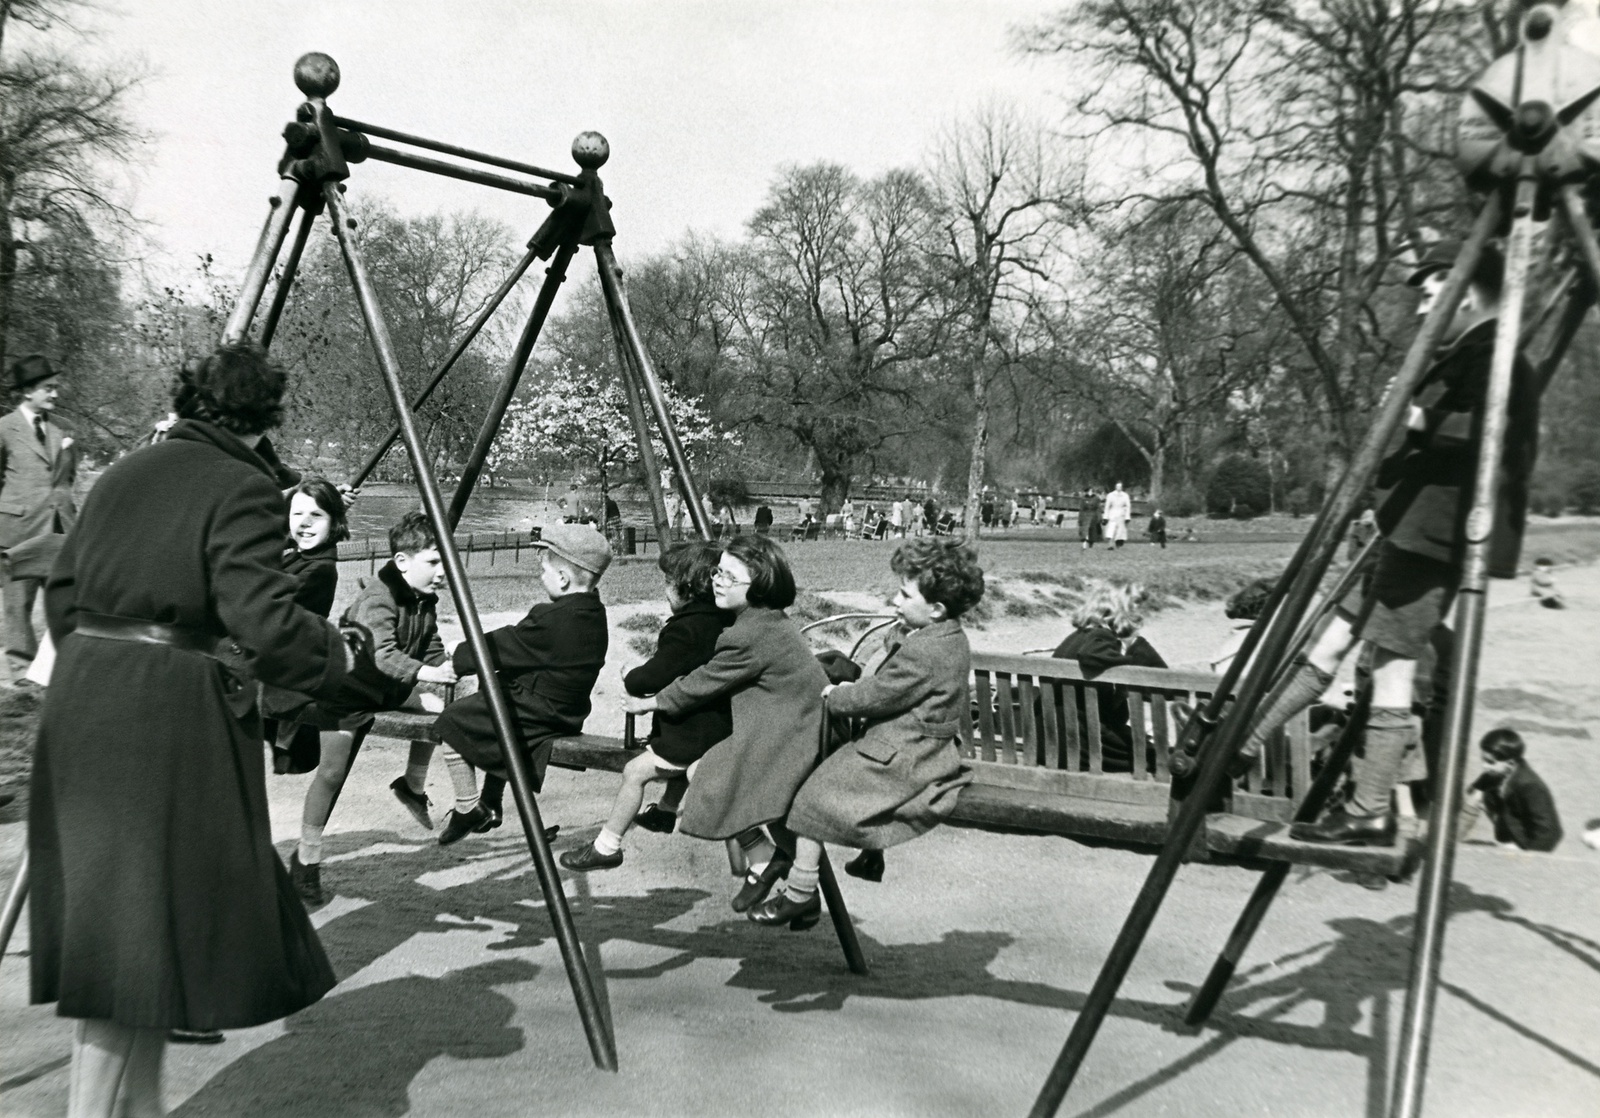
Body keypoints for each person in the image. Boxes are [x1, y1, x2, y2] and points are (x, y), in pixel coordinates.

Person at [27, 343, 361, 1116]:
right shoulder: (241, 485)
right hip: (164, 715)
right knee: (130, 944)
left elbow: (60, 593)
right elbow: (266, 620)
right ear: (260, 419)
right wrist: (341, 655)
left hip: (84, 698)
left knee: (141, 945)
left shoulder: (123, 472)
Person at [1229, 240, 1541, 847]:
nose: (1425, 309)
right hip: (1406, 530)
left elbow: (1490, 433)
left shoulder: (1499, 356)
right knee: (1331, 639)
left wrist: (1414, 416)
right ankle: (1244, 744)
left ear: (1468, 290)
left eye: (1433, 294)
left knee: (1394, 669)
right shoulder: (1467, 352)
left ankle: (1370, 806)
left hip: (1436, 538)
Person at [752, 538, 986, 926]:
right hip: (921, 743)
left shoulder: (925, 652)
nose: (894, 600)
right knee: (842, 769)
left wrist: (837, 696)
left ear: (937, 608)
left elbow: (879, 695)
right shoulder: (945, 637)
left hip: (906, 752)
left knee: (812, 796)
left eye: (904, 594)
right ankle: (870, 854)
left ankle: (800, 894)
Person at [622, 535, 828, 913]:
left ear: (760, 587)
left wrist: (651, 702)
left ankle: (768, 862)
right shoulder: (766, 620)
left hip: (793, 733)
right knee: (768, 804)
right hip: (799, 722)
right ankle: (796, 882)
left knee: (708, 772)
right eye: (718, 571)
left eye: (730, 578)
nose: (718, 581)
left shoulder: (747, 636)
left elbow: (703, 681)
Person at [281, 511, 459, 905]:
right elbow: (382, 653)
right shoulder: (378, 597)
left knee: (439, 709)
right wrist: (427, 671)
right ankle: (306, 860)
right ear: (402, 562)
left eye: (446, 562)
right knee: (331, 772)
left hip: (387, 689)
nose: (442, 572)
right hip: (346, 690)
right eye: (433, 562)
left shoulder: (423, 598)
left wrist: (445, 665)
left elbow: (428, 643)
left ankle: (412, 785)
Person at [433, 522, 610, 845]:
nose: (540, 575)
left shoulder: (550, 619)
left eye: (543, 569)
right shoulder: (595, 613)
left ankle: (467, 806)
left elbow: (502, 645)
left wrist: (459, 658)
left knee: (451, 723)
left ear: (562, 578)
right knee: (500, 704)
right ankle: (492, 800)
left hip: (538, 710)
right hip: (568, 712)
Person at [560, 542, 733, 869]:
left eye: (667, 584)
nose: (665, 591)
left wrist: (632, 676)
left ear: (687, 588)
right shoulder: (726, 620)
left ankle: (607, 845)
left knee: (635, 773)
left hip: (694, 730)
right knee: (680, 763)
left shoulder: (687, 629)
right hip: (723, 725)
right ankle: (666, 811)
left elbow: (651, 678)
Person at [262, 477, 349, 776]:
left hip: (284, 671)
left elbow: (266, 606)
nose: (305, 523)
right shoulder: (303, 556)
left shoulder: (318, 570)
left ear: (333, 522)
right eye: (297, 514)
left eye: (316, 515)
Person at [1, 355, 78, 685]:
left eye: (55, 388)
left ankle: (64, 668)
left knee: (67, 599)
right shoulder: (5, 428)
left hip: (58, 529)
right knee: (18, 603)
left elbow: (65, 479)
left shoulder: (60, 431)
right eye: (49, 388)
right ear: (28, 391)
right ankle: (20, 673)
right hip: (18, 529)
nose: (55, 395)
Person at [1051, 583, 1167, 772]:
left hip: (1050, 742)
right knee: (1157, 756)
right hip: (1080, 747)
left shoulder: (1075, 638)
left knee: (1140, 743)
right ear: (1118, 610)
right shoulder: (1101, 636)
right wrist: (1134, 651)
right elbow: (1168, 688)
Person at [1468, 728, 1562, 851]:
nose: (1484, 766)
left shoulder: (1530, 786)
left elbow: (1550, 832)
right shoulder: (1494, 774)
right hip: (1507, 842)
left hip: (1526, 848)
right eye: (1483, 760)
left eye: (1490, 762)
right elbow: (1471, 797)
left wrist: (1528, 859)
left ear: (1511, 764)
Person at [1103, 482, 1132, 549]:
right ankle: (1110, 544)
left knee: (1120, 530)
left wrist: (1127, 517)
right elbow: (1107, 506)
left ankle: (1118, 543)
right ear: (1115, 487)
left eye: (1120, 486)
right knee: (1111, 530)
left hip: (1121, 514)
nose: (1119, 488)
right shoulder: (1110, 495)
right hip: (1112, 514)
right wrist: (1105, 516)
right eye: (1118, 486)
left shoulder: (1125, 495)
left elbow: (1128, 506)